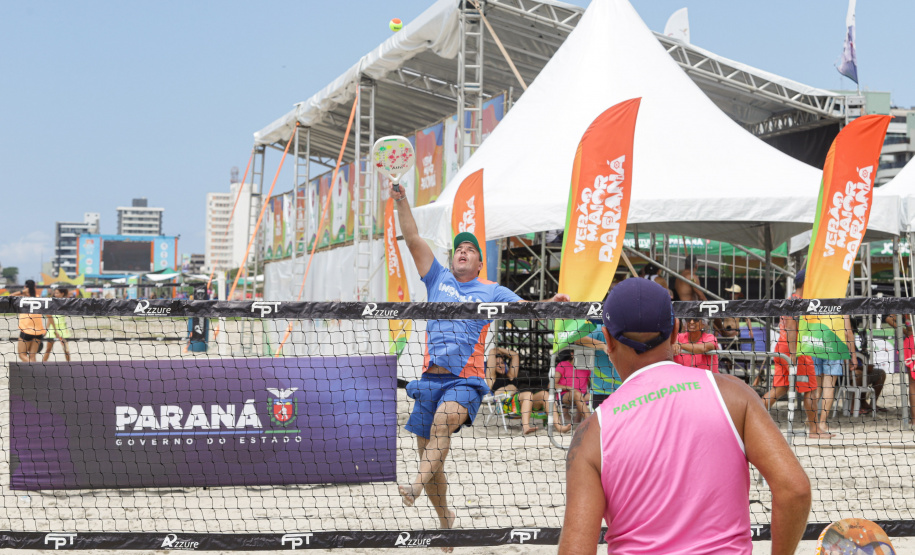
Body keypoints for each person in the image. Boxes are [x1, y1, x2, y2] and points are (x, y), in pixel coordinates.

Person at [558, 279, 811, 554]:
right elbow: (794, 489)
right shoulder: (734, 394)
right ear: (674, 330)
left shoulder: (590, 434)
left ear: (607, 339)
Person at [390, 182, 569, 540]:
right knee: (430, 455)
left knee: (442, 424)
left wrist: (550, 303)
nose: (463, 252)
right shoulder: (437, 278)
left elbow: (526, 310)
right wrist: (401, 199)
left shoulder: (492, 290)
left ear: (479, 261)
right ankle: (445, 519)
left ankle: (412, 487)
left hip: (466, 380)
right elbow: (412, 239)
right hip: (430, 377)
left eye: (471, 250)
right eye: (459, 248)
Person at [761, 270, 829, 439]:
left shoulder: (792, 300)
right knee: (812, 390)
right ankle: (814, 430)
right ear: (805, 284)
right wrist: (793, 354)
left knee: (779, 389)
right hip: (795, 349)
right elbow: (791, 327)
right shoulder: (797, 303)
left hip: (781, 347)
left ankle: (750, 418)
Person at [485, 347, 558, 434]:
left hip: (522, 401)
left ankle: (559, 426)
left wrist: (500, 350)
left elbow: (515, 355)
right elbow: (492, 351)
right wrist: (496, 350)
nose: (501, 365)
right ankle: (526, 426)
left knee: (544, 394)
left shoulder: (511, 375)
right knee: (528, 394)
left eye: (502, 363)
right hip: (507, 405)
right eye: (497, 364)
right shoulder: (492, 378)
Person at [573, 327, 621, 408]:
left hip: (626, 388)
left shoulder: (629, 328)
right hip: (601, 391)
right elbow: (577, 338)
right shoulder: (600, 327)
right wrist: (603, 346)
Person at [554, 349, 592, 426]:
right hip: (565, 395)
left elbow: (588, 383)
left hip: (582, 395)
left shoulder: (587, 367)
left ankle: (578, 420)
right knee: (577, 394)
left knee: (595, 396)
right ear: (572, 354)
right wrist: (569, 388)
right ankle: (590, 423)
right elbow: (552, 385)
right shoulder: (563, 364)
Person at [16, 280, 46, 363]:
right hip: (39, 332)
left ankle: (35, 370)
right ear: (34, 288)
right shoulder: (39, 298)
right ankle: (34, 374)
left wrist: (22, 291)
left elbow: (8, 298)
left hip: (26, 331)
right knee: (32, 356)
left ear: (25, 287)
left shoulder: (22, 299)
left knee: (22, 355)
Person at [43, 286, 72, 362]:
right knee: (48, 349)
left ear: (62, 294)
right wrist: (46, 328)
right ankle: (42, 365)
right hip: (53, 328)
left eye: (57, 293)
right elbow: (50, 317)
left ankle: (69, 365)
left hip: (62, 328)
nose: (55, 294)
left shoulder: (66, 302)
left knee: (66, 349)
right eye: (54, 293)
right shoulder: (52, 302)